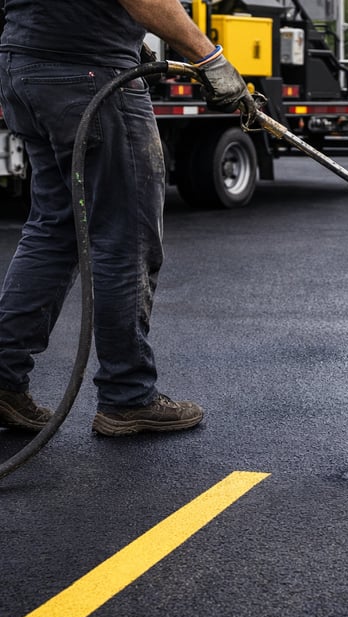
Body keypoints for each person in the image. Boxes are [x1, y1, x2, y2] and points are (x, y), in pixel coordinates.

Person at [0, 0, 258, 435]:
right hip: (87, 75)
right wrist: (208, 56)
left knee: (57, 228)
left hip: (24, 68)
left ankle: (3, 378)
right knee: (126, 236)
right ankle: (128, 395)